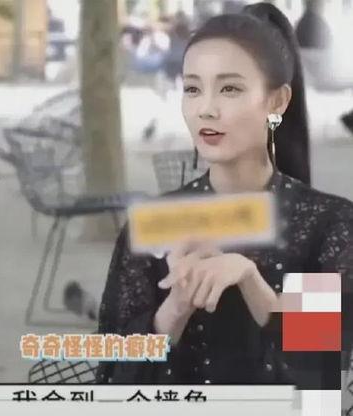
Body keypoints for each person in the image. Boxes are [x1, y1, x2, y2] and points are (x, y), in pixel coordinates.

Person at [97, 2, 353, 389]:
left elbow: (321, 386)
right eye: (192, 89)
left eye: (229, 89)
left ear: (277, 102)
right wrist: (176, 306)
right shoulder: (153, 225)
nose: (206, 109)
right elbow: (112, 380)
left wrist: (251, 281)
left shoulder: (323, 223)